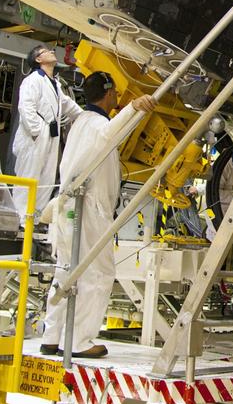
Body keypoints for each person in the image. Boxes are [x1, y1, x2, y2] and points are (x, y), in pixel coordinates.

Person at [39, 72, 155, 359]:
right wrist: (134, 108)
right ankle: (79, 341)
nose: (118, 96)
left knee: (66, 271)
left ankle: (51, 337)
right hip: (88, 210)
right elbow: (108, 136)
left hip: (68, 209)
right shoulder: (99, 124)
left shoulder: (81, 122)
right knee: (98, 273)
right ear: (108, 93)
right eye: (115, 92)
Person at [11, 44, 81, 228]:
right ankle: (21, 217)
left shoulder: (55, 84)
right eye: (46, 51)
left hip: (50, 135)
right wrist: (36, 132)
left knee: (47, 177)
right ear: (38, 59)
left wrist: (86, 117)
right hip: (35, 136)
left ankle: (36, 217)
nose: (51, 51)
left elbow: (67, 104)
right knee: (29, 176)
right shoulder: (32, 80)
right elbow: (26, 107)